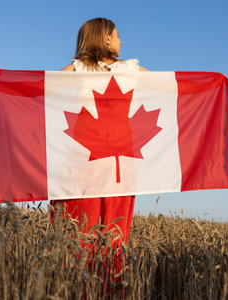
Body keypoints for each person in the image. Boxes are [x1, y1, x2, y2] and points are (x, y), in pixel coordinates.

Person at [55, 17, 148, 248]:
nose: (121, 41)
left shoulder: (130, 68)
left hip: (119, 166)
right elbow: (39, 88)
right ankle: (76, 282)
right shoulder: (79, 68)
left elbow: (168, 87)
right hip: (84, 161)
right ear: (106, 39)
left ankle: (107, 283)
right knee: (78, 229)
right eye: (117, 35)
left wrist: (209, 84)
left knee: (112, 234)